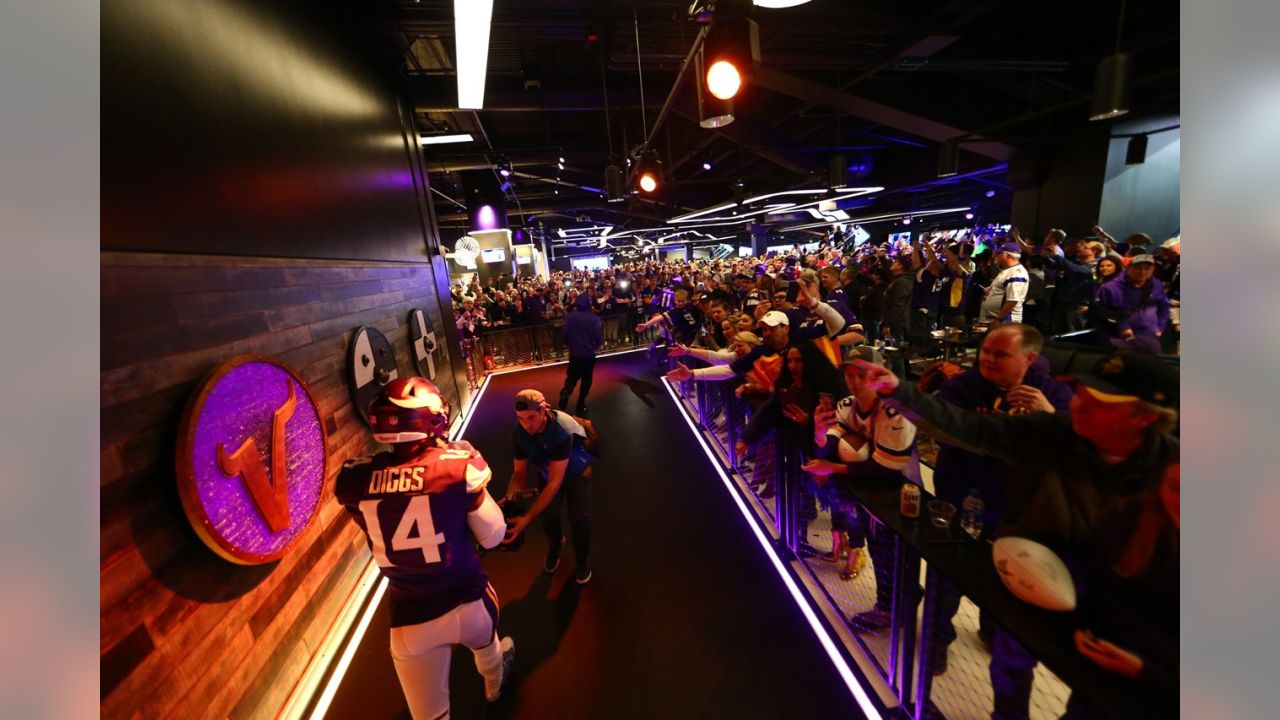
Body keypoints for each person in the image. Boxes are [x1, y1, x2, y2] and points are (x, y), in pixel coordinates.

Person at [856, 352, 1178, 720]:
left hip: (1120, 622)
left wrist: (1155, 665)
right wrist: (900, 391)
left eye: (1099, 402)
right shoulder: (1055, 432)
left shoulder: (1175, 474)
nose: (1079, 404)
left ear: (1146, 418)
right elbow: (970, 429)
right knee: (1010, 669)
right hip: (1034, 583)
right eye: (1082, 393)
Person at [334, 378, 516, 718]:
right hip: (467, 598)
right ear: (432, 419)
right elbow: (493, 536)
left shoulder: (355, 478)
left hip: (411, 615)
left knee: (430, 715)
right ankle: (494, 685)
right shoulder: (455, 466)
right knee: (487, 643)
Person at [924, 324, 1074, 676]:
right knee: (945, 580)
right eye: (985, 351)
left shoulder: (1053, 393)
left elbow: (1074, 452)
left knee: (1004, 583)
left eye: (1000, 354)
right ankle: (935, 643)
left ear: (1029, 358)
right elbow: (942, 430)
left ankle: (992, 631)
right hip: (958, 497)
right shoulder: (962, 386)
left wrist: (1048, 417)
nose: (987, 359)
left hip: (1017, 511)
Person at [803, 348, 920, 628]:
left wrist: (831, 468)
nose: (855, 381)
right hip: (868, 486)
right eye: (850, 374)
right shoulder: (847, 404)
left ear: (879, 375)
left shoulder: (895, 411)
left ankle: (890, 606)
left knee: (891, 550)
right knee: (878, 545)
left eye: (862, 374)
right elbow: (832, 438)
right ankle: (898, 599)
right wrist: (820, 438)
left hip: (899, 490)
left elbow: (885, 469)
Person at [503, 389, 596, 584]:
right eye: (521, 418)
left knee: (579, 520)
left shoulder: (560, 431)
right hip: (550, 468)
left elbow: (555, 482)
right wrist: (510, 498)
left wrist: (527, 518)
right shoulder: (519, 433)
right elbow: (519, 473)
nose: (526, 424)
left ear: (543, 409)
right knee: (549, 517)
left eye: (531, 417)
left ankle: (582, 559)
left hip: (577, 470)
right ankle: (555, 544)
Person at [1092, 254, 1170, 355]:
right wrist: (1122, 326)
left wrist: (1160, 327)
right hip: (1119, 338)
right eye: (1138, 268)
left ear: (1153, 269)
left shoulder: (1156, 284)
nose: (1142, 272)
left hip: (1149, 338)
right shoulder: (1110, 288)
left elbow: (1163, 306)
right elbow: (1101, 311)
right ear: (1128, 268)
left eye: (1147, 268)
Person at [559, 294, 603, 416]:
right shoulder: (594, 318)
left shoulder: (570, 317)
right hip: (588, 354)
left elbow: (564, 334)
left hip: (574, 353)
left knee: (572, 377)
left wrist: (570, 345)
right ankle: (580, 404)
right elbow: (598, 337)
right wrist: (595, 346)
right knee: (586, 379)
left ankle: (566, 391)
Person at [979, 242, 1030, 328]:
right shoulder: (1008, 270)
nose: (995, 255)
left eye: (999, 253)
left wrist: (999, 319)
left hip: (1005, 321)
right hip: (994, 320)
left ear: (1007, 255)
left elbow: (1012, 300)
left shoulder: (1017, 273)